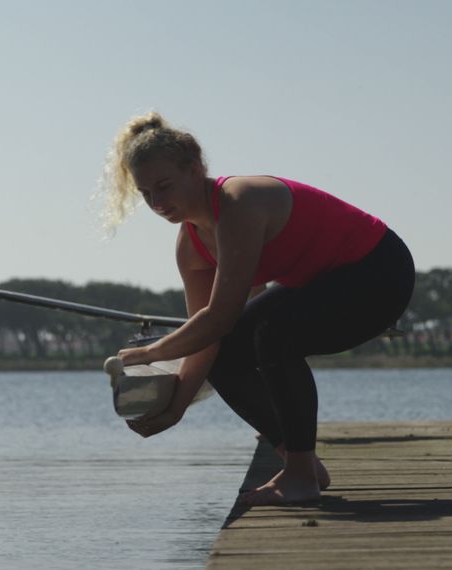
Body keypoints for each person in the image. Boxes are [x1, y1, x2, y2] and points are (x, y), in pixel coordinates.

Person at [105, 112, 415, 506]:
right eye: (146, 194)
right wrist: (175, 408)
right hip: (321, 286)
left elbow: (220, 315)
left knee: (271, 334)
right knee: (230, 351)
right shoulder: (191, 245)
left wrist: (151, 352)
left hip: (380, 273)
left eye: (164, 186)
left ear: (195, 167)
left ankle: (300, 475)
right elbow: (208, 337)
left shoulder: (238, 203)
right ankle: (301, 464)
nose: (157, 202)